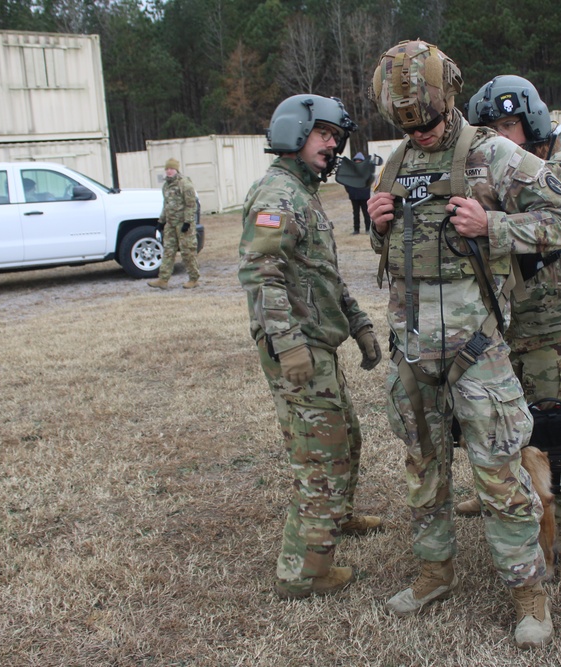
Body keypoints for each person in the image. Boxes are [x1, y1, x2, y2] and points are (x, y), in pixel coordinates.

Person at [367, 40, 561, 649]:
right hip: (412, 353)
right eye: (409, 126)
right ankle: (434, 573)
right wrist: (379, 226)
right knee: (423, 470)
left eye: (429, 123)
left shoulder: (495, 155)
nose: (423, 136)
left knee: (499, 474)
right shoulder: (394, 163)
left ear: (449, 101)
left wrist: (496, 226)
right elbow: (398, 257)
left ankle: (528, 593)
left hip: (476, 352)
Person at [238, 94, 384, 600]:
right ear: (295, 132)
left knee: (345, 435)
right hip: (298, 347)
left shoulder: (304, 194)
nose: (333, 145)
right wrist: (287, 343)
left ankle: (335, 519)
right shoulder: (277, 194)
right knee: (320, 456)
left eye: (336, 138)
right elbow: (262, 275)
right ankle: (303, 572)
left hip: (318, 343)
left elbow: (325, 278)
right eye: (324, 135)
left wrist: (360, 324)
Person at [455, 75, 561, 556]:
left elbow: (557, 220)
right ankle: (507, 491)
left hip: (554, 323)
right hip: (502, 325)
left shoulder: (560, 165)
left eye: (509, 125)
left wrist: (489, 221)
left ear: (533, 124)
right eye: (489, 129)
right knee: (504, 423)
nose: (499, 138)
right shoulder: (487, 168)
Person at [148, 158, 200, 289]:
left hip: (183, 225)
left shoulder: (185, 184)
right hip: (170, 224)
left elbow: (191, 205)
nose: (169, 171)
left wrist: (187, 222)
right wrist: (161, 222)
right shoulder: (166, 186)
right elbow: (166, 205)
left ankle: (194, 278)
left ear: (176, 169)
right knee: (168, 251)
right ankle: (163, 279)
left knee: (187, 252)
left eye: (171, 169)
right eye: (167, 169)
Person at [344, 152, 373, 234]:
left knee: (366, 213)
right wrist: (350, 191)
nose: (358, 162)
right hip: (354, 196)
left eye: (359, 161)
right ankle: (356, 230)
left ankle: (368, 229)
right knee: (356, 214)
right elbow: (346, 182)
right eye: (356, 161)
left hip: (364, 196)